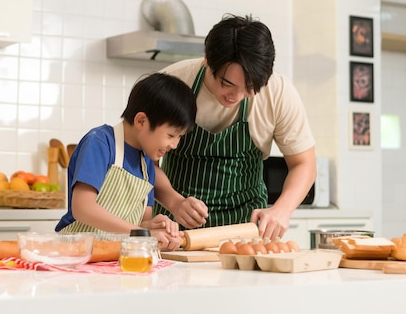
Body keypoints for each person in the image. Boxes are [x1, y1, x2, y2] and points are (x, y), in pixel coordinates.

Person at [152, 14, 317, 241]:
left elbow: (304, 163)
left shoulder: (278, 91)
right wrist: (174, 201)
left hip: (247, 231)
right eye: (226, 84)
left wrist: (282, 209)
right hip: (175, 230)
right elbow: (146, 161)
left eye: (250, 88)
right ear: (207, 61)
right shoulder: (174, 82)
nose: (236, 97)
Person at [55, 73, 197, 251]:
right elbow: (82, 208)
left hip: (115, 260)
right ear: (141, 121)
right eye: (170, 135)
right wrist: (143, 234)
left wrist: (152, 228)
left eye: (179, 137)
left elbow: (140, 222)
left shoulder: (147, 165)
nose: (174, 145)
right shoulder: (100, 143)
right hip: (75, 254)